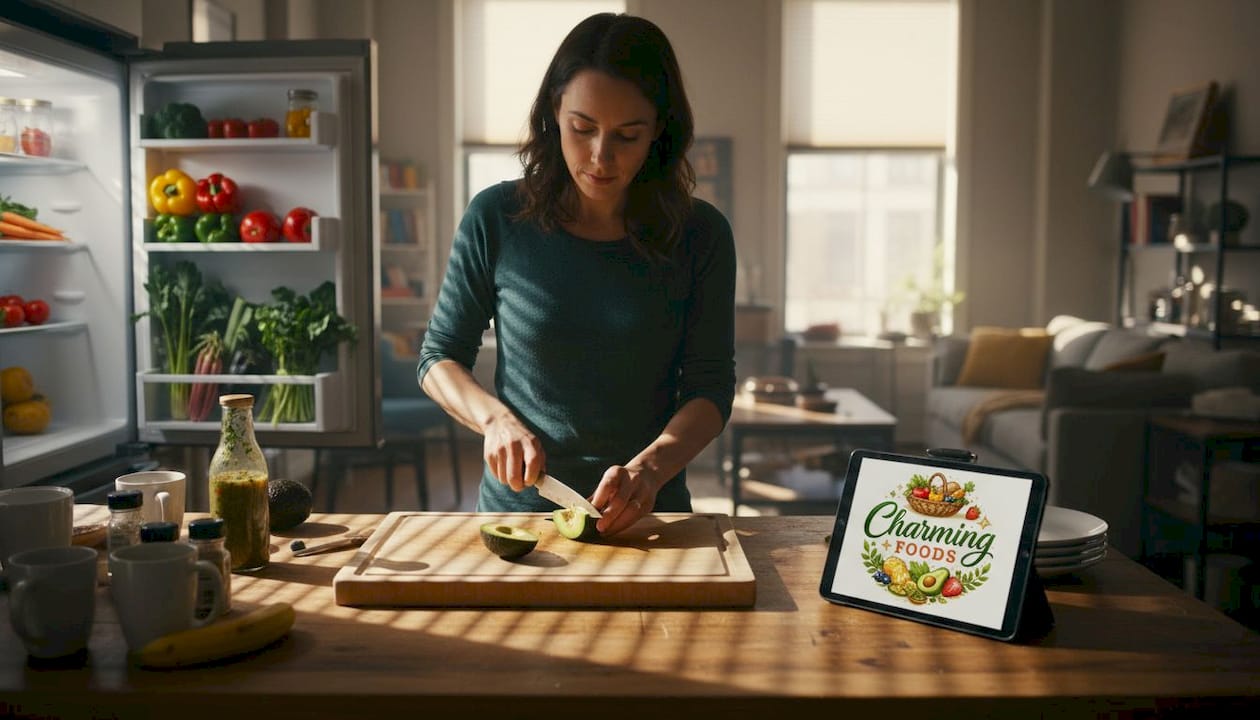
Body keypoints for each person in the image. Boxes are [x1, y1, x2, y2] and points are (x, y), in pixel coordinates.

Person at [418, 12, 736, 537]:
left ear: (659, 131)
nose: (599, 157)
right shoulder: (496, 217)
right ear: (553, 113)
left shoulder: (701, 234)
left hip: (649, 517)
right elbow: (439, 357)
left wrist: (650, 469)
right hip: (517, 518)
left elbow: (710, 388)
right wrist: (493, 420)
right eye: (582, 128)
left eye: (627, 136)